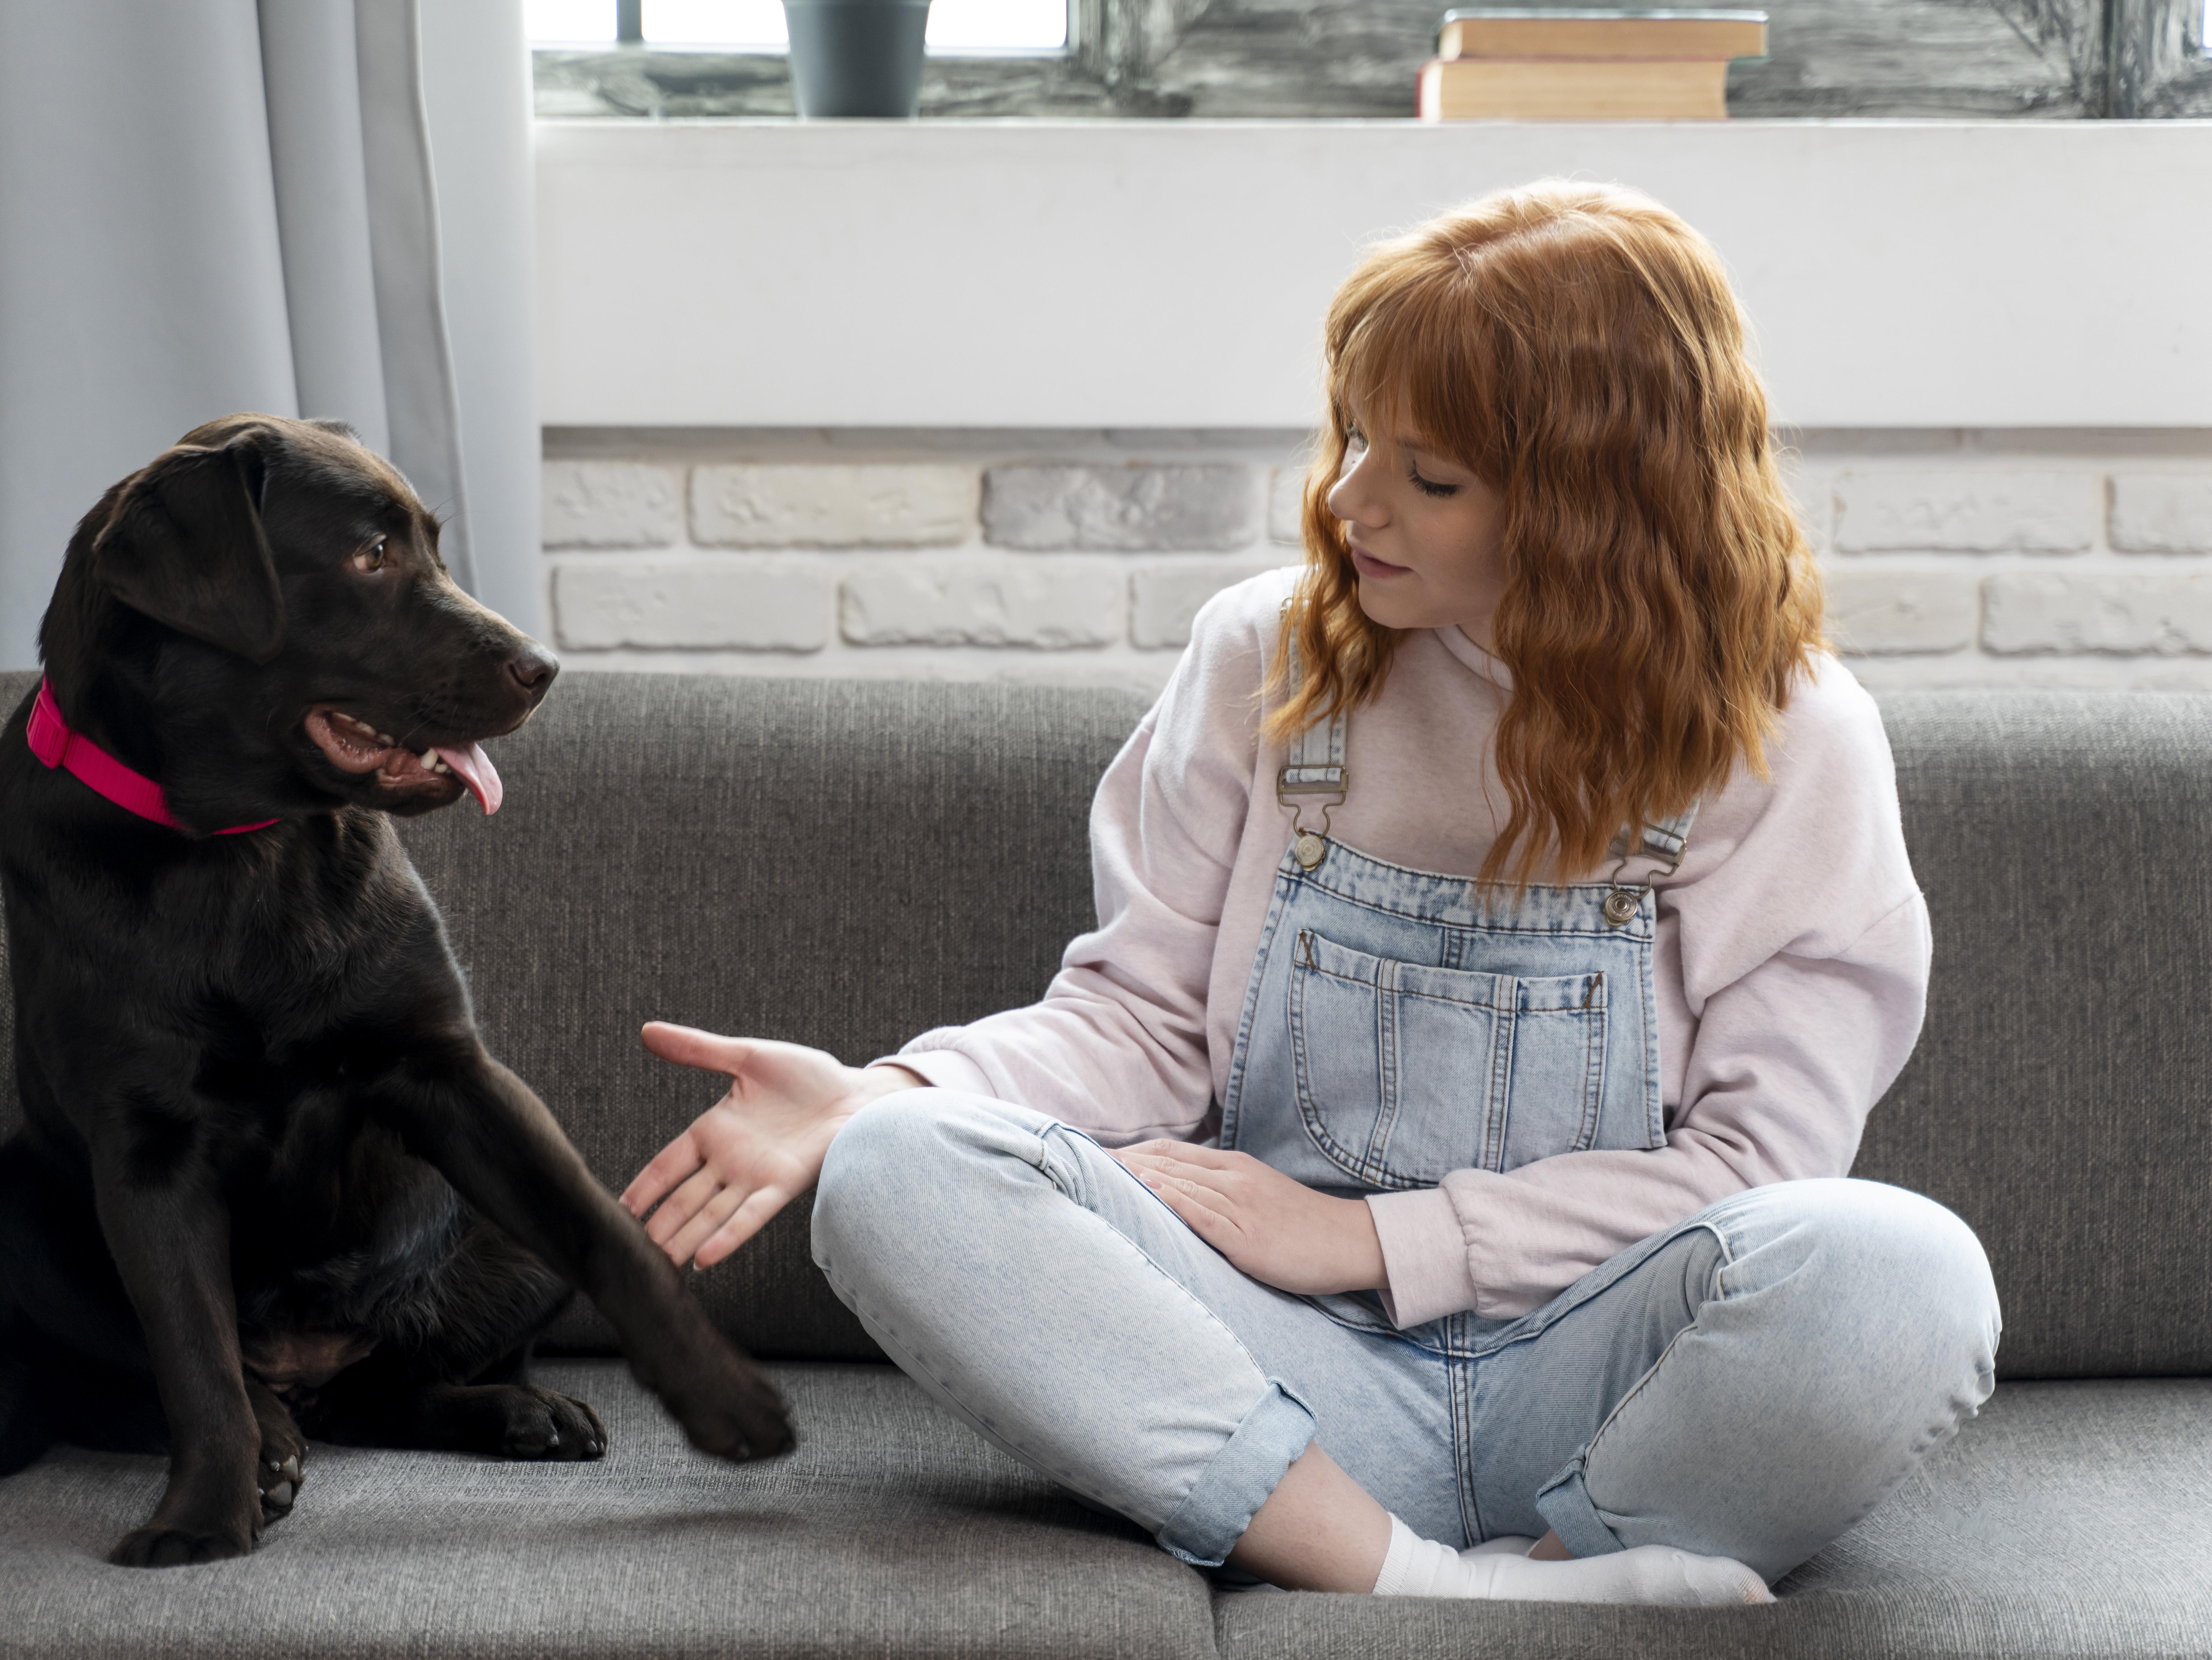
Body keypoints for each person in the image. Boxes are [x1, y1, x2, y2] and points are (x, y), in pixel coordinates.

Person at [621, 181, 2001, 1606]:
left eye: (1429, 476)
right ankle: (1434, 1590)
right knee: (895, 1167)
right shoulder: (1265, 657)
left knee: (1906, 1269)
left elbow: (1757, 1167)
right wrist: (885, 1090)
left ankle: (1569, 1557)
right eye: (1352, 436)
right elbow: (1144, 1023)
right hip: (1280, 1371)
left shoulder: (1789, 738)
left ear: (1596, 504)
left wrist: (1369, 1236)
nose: (1348, 501)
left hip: (1603, 1379)